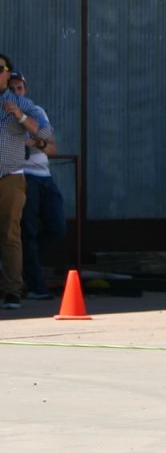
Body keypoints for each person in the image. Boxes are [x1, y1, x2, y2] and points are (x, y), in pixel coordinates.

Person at [0, 55, 53, 310]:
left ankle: (12, 291)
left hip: (10, 176)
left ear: (7, 74)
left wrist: (20, 117)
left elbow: (44, 134)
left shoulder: (22, 103)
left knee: (11, 234)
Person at [7, 72, 66, 301]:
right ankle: (35, 285)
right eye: (12, 89)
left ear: (26, 90)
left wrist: (37, 141)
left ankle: (19, 262)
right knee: (27, 231)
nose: (17, 92)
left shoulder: (35, 112)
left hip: (44, 176)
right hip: (22, 175)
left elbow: (53, 148)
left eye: (20, 88)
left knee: (57, 227)